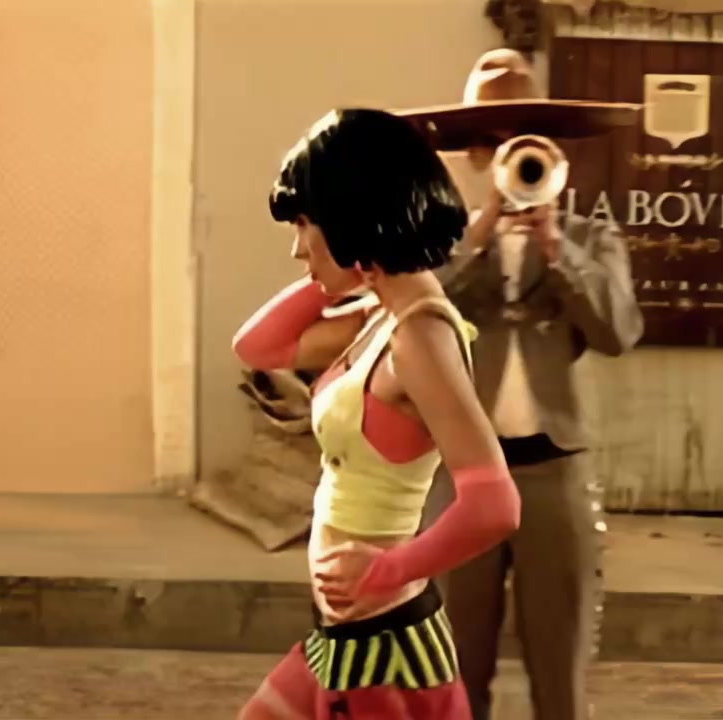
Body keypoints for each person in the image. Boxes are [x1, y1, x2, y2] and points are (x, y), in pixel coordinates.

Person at [232, 108, 521, 720]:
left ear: (350, 213)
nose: (297, 247)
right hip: (344, 637)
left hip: (383, 647)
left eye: (306, 223)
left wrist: (390, 568)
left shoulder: (421, 336)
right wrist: (347, 264)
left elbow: (495, 504)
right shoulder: (380, 315)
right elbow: (257, 348)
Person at [397, 50, 644, 720]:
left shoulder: (590, 237)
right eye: (495, 139)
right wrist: (480, 234)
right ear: (479, 153)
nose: (511, 155)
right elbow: (412, 314)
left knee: (560, 669)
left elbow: (618, 332)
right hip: (460, 475)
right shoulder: (441, 241)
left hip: (554, 471)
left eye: (524, 140)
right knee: (453, 668)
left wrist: (557, 248)